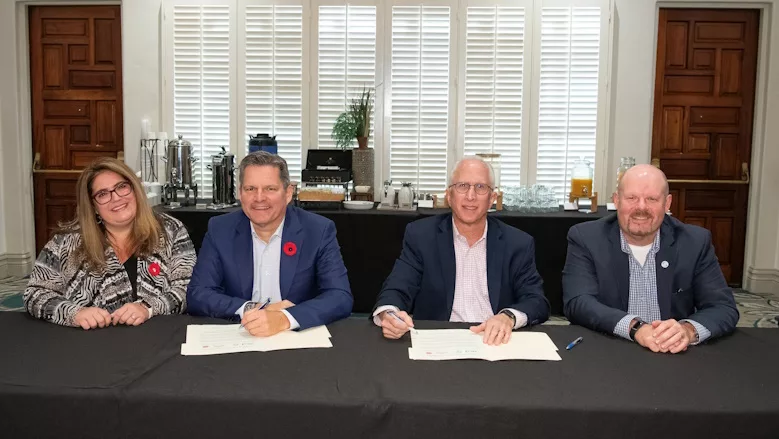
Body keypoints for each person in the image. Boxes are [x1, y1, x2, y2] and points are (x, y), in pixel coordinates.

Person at [372, 157, 549, 345]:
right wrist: (389, 313)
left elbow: (536, 300)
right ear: (449, 195)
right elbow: (397, 287)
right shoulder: (421, 236)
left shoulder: (517, 243)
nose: (470, 196)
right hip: (439, 342)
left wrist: (508, 317)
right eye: (462, 186)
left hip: (495, 342)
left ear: (492, 198)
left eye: (480, 187)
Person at [562, 164, 739, 353]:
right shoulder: (586, 238)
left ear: (667, 203)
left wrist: (687, 331)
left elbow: (722, 307)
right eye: (631, 198)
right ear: (616, 200)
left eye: (652, 199)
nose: (641, 207)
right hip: (608, 349)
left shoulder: (694, 242)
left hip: (673, 353)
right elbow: (578, 302)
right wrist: (635, 328)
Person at [186, 151, 353, 336]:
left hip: (297, 336)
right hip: (240, 335)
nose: (259, 198)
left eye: (270, 189)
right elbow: (198, 294)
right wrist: (252, 309)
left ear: (288, 193)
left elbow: (340, 296)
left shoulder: (317, 230)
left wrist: (284, 318)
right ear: (240, 193)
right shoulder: (220, 229)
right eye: (250, 189)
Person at [24, 158, 196, 329]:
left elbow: (187, 289)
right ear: (93, 206)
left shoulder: (170, 230)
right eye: (103, 194)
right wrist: (74, 313)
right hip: (91, 341)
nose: (116, 198)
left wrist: (148, 308)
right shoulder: (66, 242)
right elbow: (35, 293)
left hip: (158, 336)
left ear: (135, 189)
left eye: (122, 187)